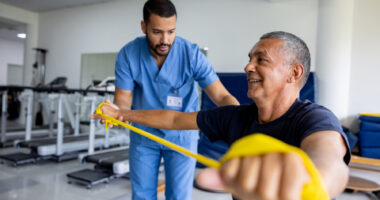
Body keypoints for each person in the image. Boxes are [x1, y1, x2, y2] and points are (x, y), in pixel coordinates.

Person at [95, 31, 350, 200]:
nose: (248, 66)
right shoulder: (236, 117)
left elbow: (328, 159)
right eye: (250, 58)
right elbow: (173, 119)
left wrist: (312, 177)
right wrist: (123, 113)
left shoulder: (314, 118)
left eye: (261, 59)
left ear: (294, 73)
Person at [111, 0, 239, 199]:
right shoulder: (129, 54)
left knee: (179, 196)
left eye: (171, 31)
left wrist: (240, 120)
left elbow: (221, 95)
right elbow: (122, 102)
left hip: (181, 136)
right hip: (144, 135)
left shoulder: (191, 54)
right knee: (142, 194)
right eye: (157, 32)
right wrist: (117, 114)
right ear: (143, 27)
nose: (165, 40)